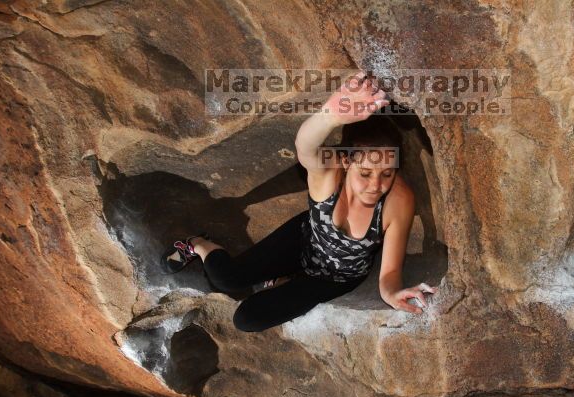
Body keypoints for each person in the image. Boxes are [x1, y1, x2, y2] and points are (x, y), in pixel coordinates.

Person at [161, 71, 437, 332]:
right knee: (226, 279)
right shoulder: (328, 175)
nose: (376, 185)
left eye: (387, 173)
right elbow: (305, 147)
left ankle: (285, 282)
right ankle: (197, 243)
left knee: (247, 318)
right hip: (303, 240)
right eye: (365, 173)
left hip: (334, 279)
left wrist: (393, 294)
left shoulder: (398, 199)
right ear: (344, 162)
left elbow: (389, 272)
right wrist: (329, 116)